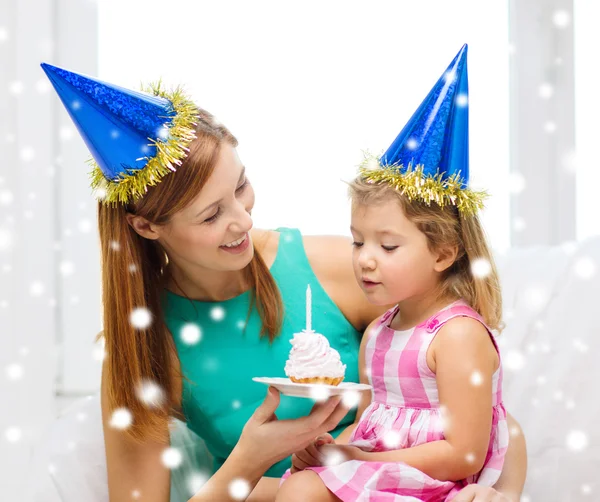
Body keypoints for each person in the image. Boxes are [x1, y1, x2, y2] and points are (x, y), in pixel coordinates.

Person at [39, 60, 526, 502]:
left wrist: (496, 491)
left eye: (241, 187)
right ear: (147, 227)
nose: (243, 221)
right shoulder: (143, 345)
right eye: (211, 216)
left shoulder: (341, 270)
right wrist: (247, 463)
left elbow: (476, 413)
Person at [276, 45, 519, 501]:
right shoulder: (379, 333)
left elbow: (465, 455)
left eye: (387, 245)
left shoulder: (457, 336)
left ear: (444, 253)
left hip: (439, 485)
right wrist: (334, 448)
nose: (365, 258)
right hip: (384, 473)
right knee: (293, 488)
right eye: (357, 240)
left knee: (301, 495)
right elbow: (368, 423)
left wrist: (360, 462)